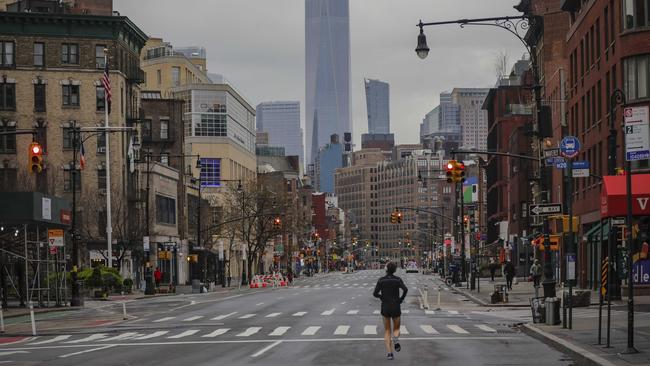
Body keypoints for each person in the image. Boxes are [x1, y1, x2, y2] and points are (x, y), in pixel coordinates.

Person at [373, 262, 408, 360]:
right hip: (396, 306)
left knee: (387, 330)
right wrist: (401, 299)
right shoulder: (397, 280)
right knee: (396, 328)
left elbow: (375, 293)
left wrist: (381, 297)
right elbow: (405, 289)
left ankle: (389, 353)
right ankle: (396, 339)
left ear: (386, 269)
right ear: (395, 270)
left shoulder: (381, 280)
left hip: (385, 307)